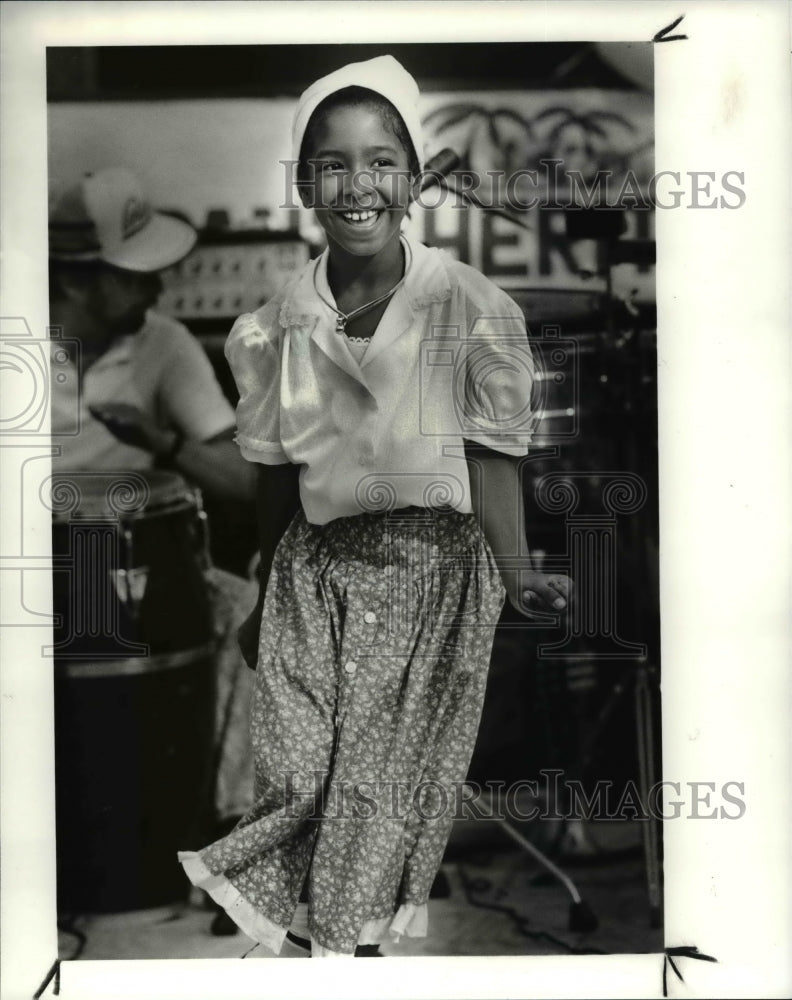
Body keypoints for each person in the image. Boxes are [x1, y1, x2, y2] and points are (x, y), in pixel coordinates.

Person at [178, 55, 572, 958]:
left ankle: (342, 956)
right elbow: (278, 474)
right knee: (295, 775)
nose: (359, 185)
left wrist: (517, 574)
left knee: (373, 792)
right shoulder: (274, 325)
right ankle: (321, 939)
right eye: (333, 163)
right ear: (304, 183)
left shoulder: (469, 307)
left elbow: (493, 456)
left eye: (380, 160)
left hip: (431, 575)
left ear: (416, 174)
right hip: (316, 578)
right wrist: (266, 587)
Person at [48, 168, 258, 921]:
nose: (156, 293)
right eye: (137, 278)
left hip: (150, 570)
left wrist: (165, 444)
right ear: (76, 278)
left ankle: (225, 836)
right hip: (28, 578)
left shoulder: (164, 347)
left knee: (255, 617)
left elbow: (242, 481)